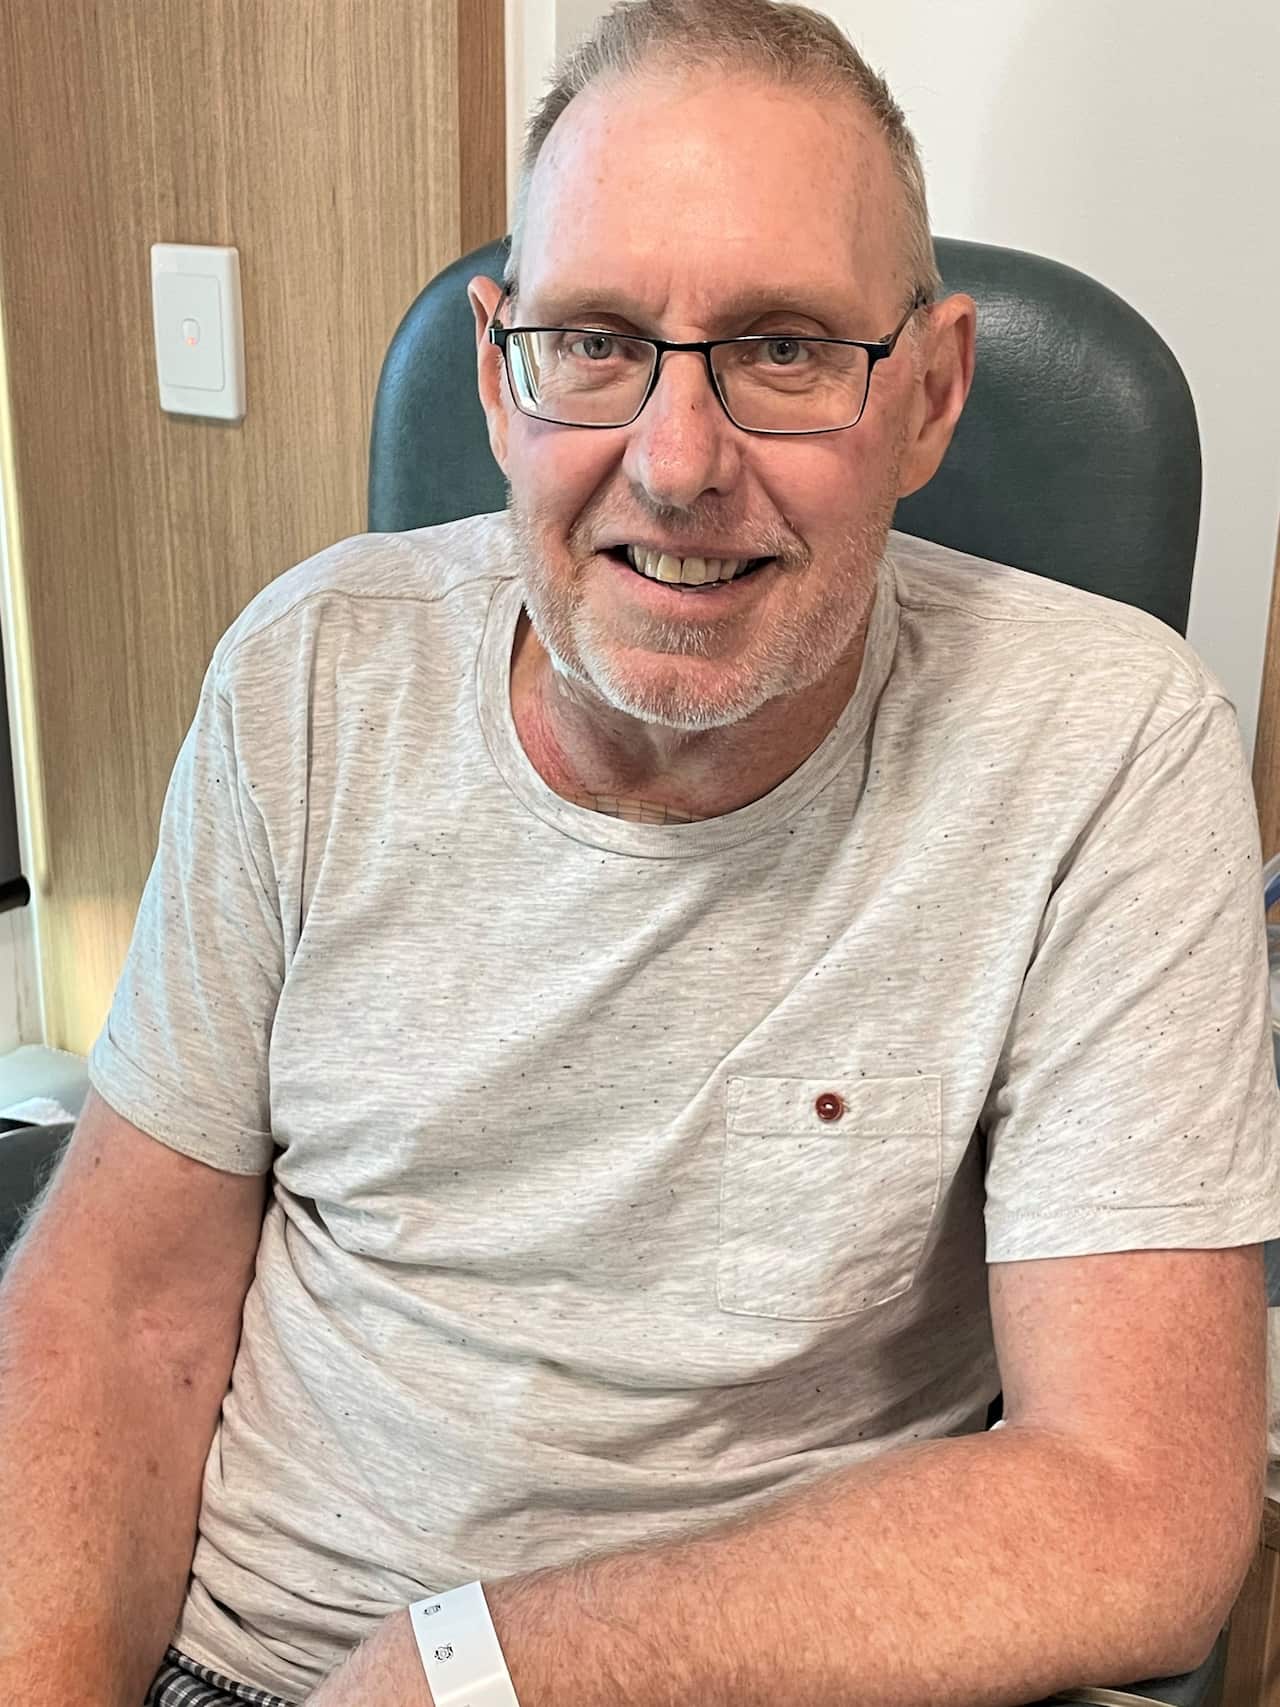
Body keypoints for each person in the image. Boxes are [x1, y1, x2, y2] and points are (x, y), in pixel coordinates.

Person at [3, 2, 1278, 1704]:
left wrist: (470, 1670)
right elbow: (122, 1308)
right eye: (595, 341)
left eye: (785, 349)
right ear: (497, 373)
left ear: (932, 395)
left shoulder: (1109, 751)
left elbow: (1137, 1505)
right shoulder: (309, 676)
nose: (677, 465)